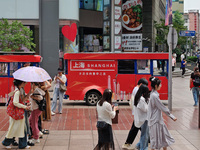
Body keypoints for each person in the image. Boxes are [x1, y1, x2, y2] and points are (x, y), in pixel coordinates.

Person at [148, 76, 177, 150]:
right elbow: (162, 107)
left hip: (158, 120)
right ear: (155, 86)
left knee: (163, 137)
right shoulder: (154, 96)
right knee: (155, 141)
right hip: (155, 121)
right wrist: (172, 116)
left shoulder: (153, 94)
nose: (161, 86)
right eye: (160, 84)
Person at [2, 79, 31, 149]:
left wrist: (29, 93)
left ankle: (22, 144)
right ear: (21, 83)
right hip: (17, 113)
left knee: (21, 128)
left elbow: (22, 100)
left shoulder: (19, 90)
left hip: (18, 113)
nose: (26, 83)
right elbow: (15, 102)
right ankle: (6, 143)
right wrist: (25, 107)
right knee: (14, 128)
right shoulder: (17, 91)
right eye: (24, 82)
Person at [122, 78, 148, 150]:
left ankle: (129, 143)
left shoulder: (136, 89)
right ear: (141, 85)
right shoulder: (138, 91)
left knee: (137, 129)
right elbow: (145, 108)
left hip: (138, 114)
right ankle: (129, 143)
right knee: (138, 130)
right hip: (140, 114)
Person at [133, 84, 150, 150]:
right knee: (145, 135)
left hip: (142, 119)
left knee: (145, 134)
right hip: (144, 119)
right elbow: (146, 109)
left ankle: (139, 145)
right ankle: (143, 148)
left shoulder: (137, 97)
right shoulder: (141, 100)